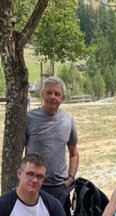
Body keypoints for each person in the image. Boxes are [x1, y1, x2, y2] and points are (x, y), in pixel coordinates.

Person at [25, 76, 79, 205]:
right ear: (42, 95)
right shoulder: (29, 118)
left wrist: (70, 178)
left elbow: (74, 153)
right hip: (33, 184)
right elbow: (18, 152)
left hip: (60, 187)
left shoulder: (68, 119)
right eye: (49, 92)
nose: (52, 96)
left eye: (57, 94)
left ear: (62, 98)